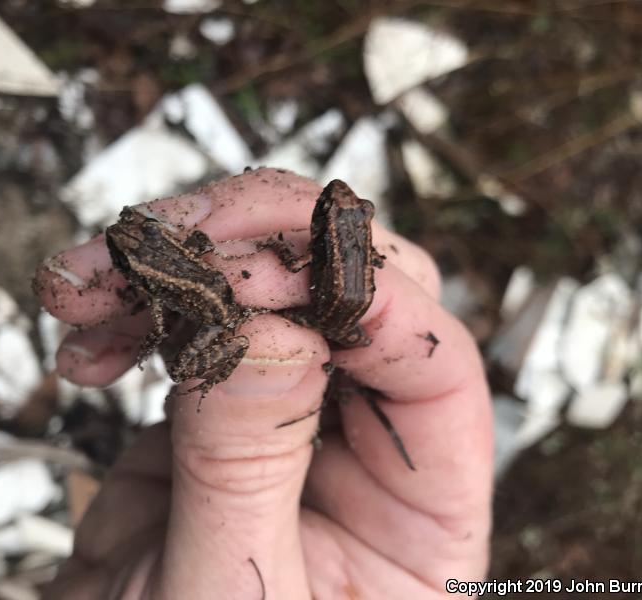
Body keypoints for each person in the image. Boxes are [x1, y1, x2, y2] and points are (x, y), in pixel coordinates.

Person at [34, 168, 493, 599]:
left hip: (225, 318)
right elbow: (192, 250)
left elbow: (157, 327)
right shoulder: (173, 264)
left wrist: (161, 345)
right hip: (225, 291)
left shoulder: (153, 290)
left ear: (139, 273)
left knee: (182, 372)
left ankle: (224, 372)